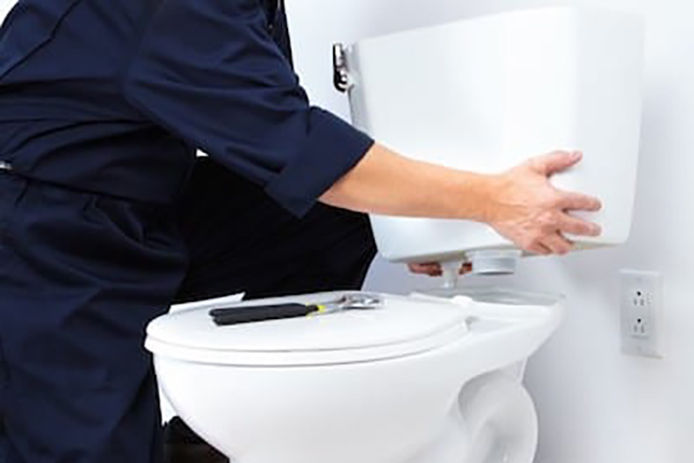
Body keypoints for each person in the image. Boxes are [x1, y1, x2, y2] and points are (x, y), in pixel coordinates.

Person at [0, 1, 602, 462]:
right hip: (40, 226)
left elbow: (272, 135)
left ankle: (217, 431)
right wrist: (491, 201)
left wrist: (412, 227)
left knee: (337, 219)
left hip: (138, 196)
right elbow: (299, 148)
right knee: (86, 447)